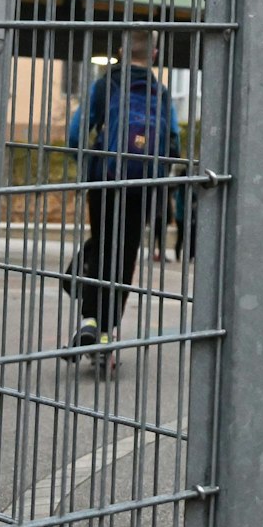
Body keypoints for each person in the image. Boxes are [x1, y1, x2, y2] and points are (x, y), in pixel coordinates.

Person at [65, 30, 179, 365]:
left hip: (106, 180)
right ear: (154, 54)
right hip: (141, 186)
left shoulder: (106, 86)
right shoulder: (161, 94)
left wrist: (91, 165)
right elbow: (173, 144)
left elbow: (75, 135)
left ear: (120, 51)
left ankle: (90, 320)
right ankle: (105, 333)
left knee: (102, 244)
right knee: (125, 254)